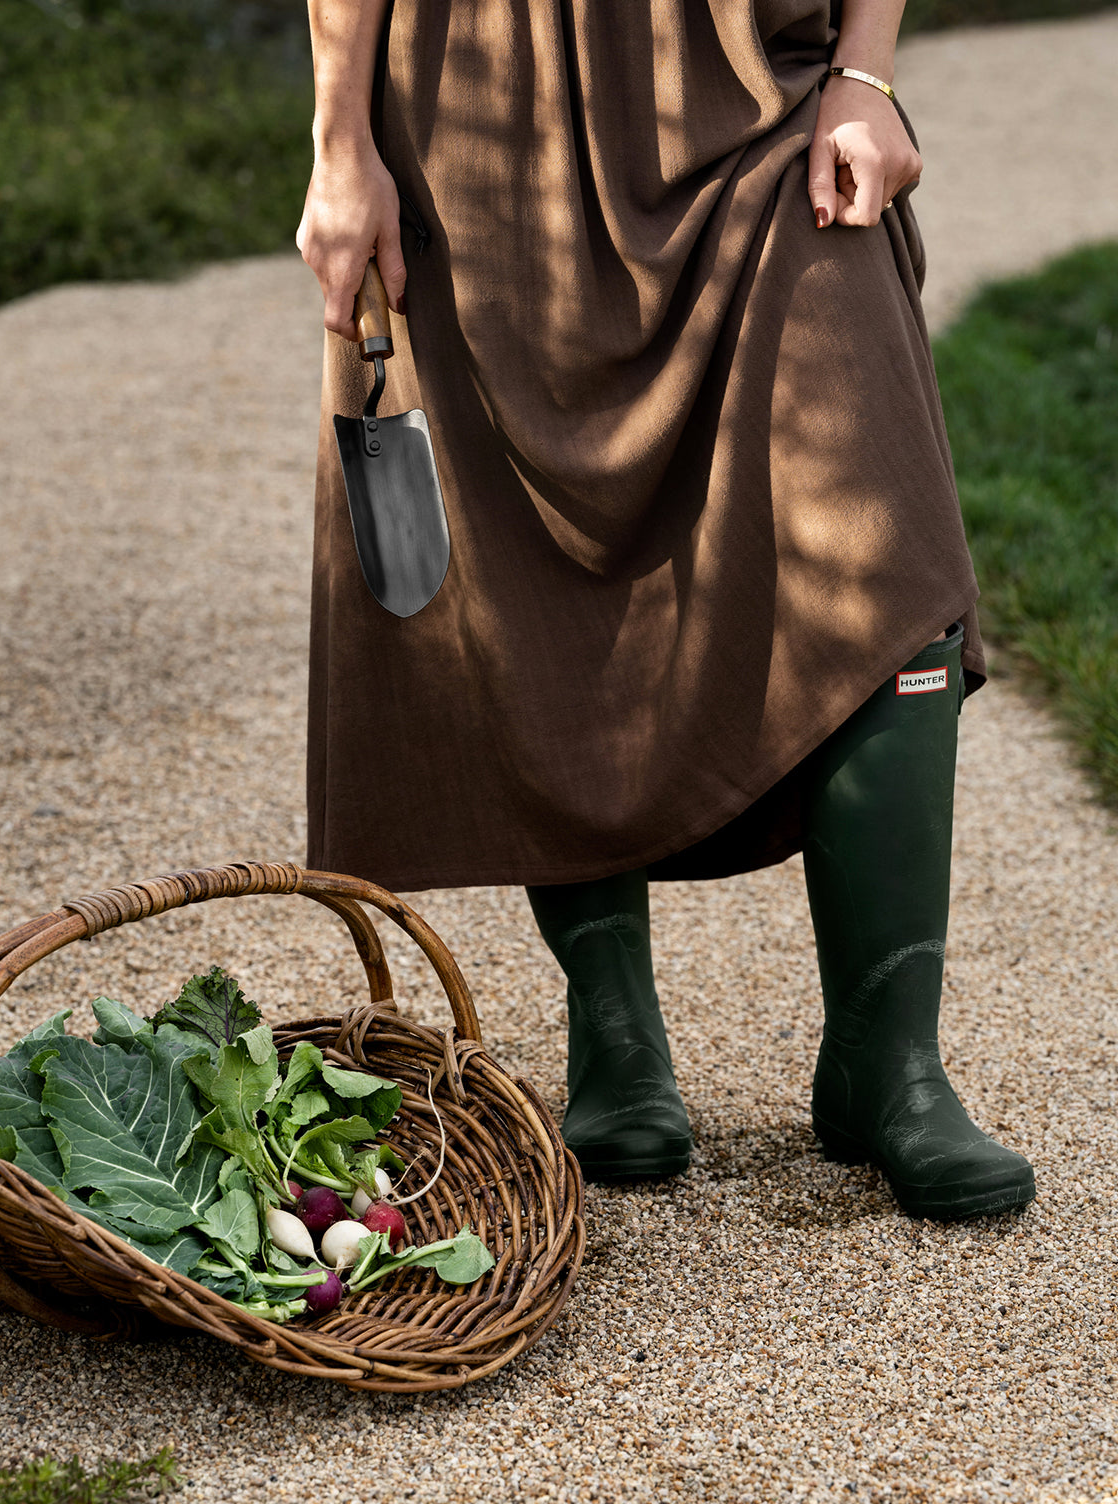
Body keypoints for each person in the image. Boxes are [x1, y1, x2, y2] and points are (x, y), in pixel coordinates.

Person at [296, 0, 1036, 1220]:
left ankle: (888, 1058)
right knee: (528, 560)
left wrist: (867, 72)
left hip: (756, 83)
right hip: (482, 110)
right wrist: (341, 146)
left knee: (887, 540)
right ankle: (616, 1033)